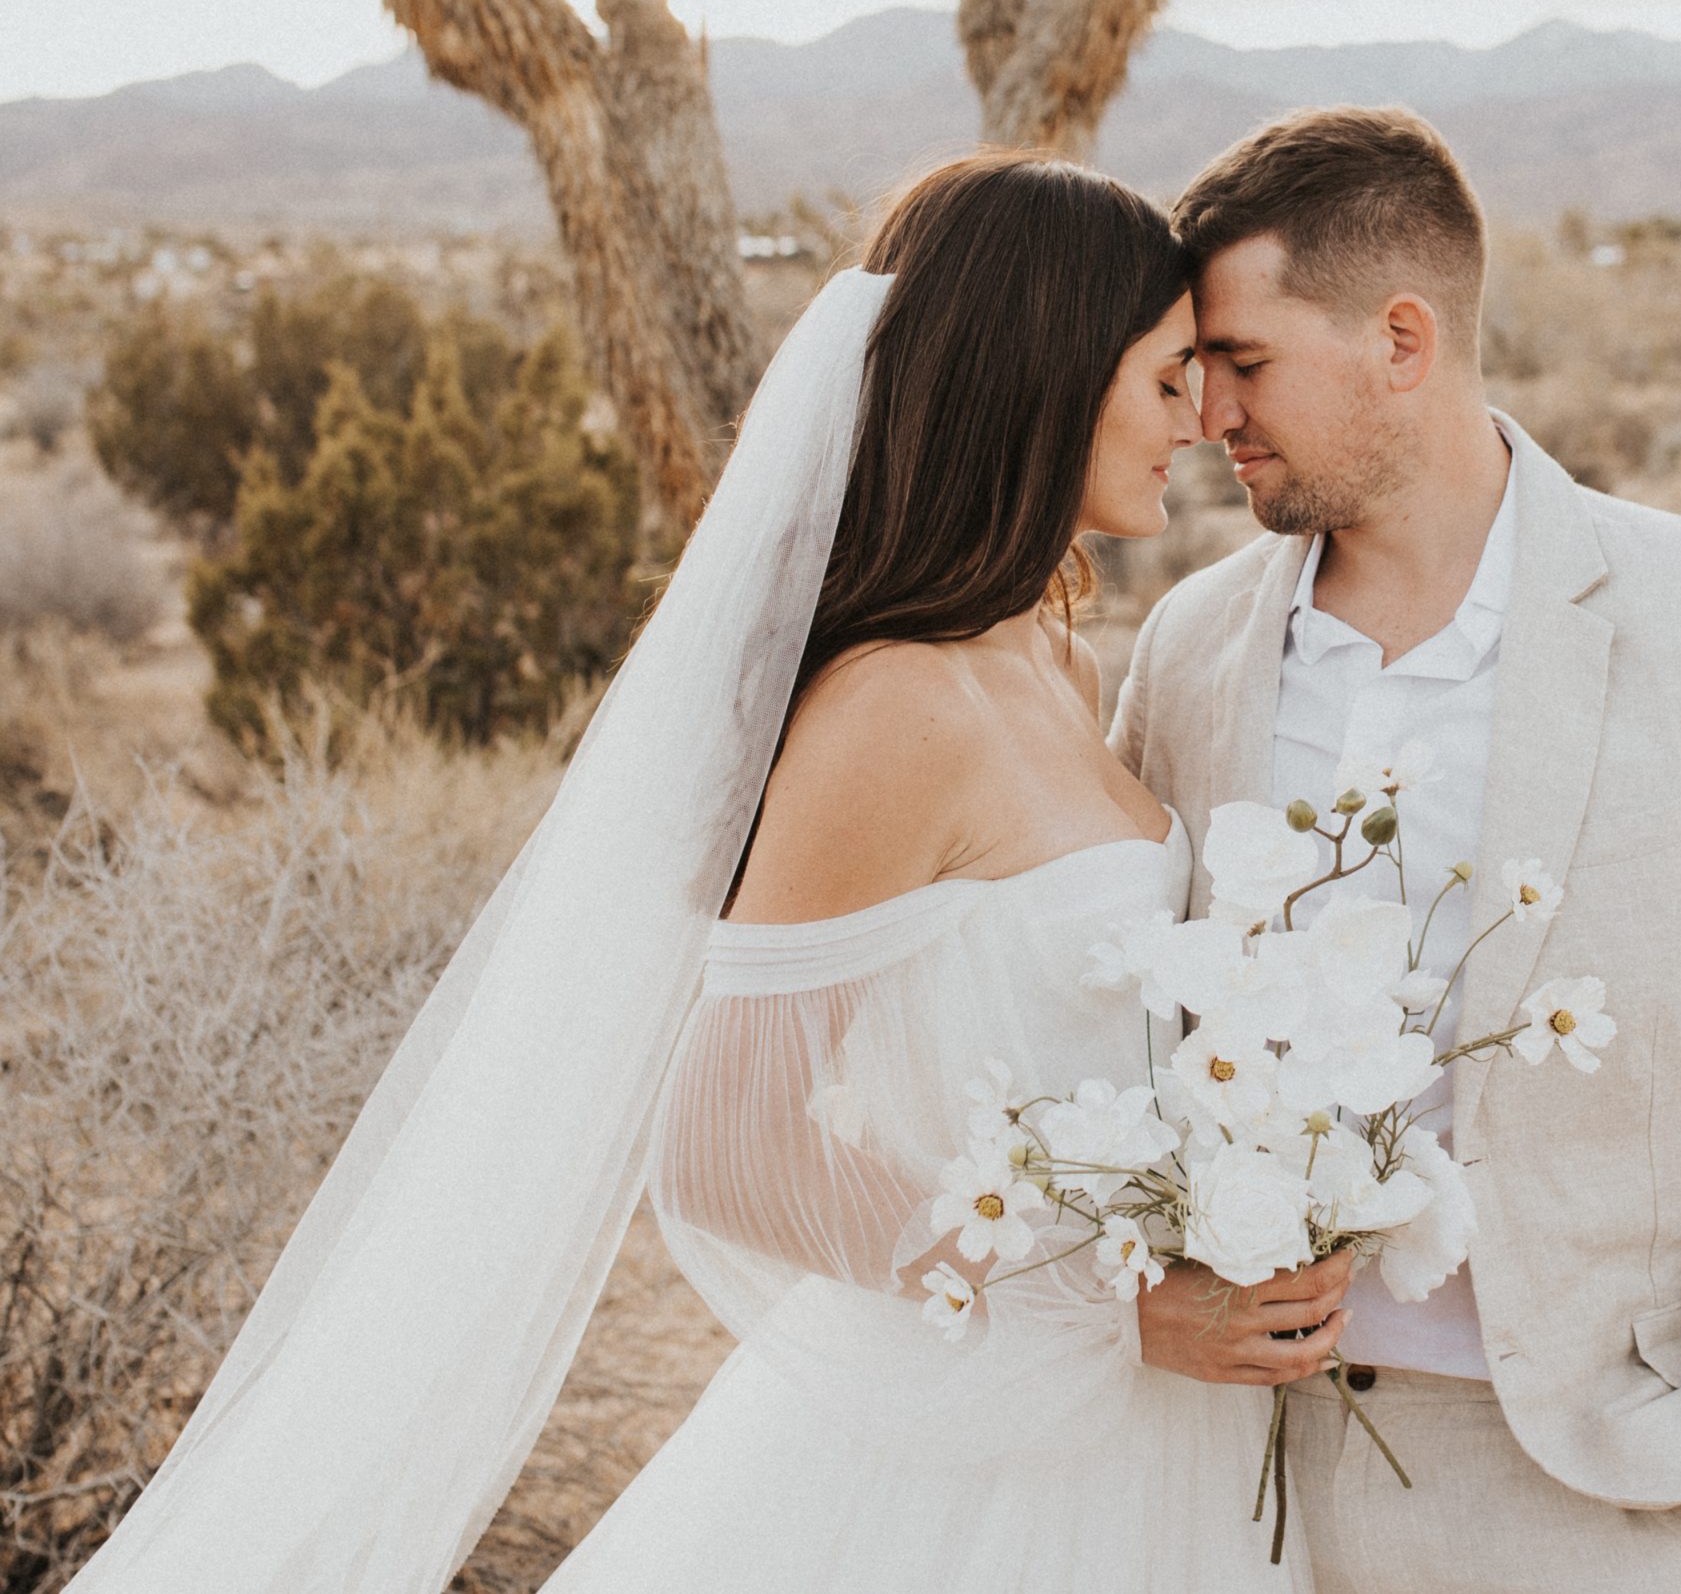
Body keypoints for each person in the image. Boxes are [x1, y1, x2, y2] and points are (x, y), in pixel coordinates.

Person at [71, 154, 1338, 1594]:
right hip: (972, 1456)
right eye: (1169, 374)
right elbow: (730, 1143)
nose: (1204, 415)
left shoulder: (1051, 649)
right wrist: (1113, 1298)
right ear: (1042, 377)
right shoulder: (892, 707)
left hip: (1148, 1437)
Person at [1112, 107, 1681, 1594]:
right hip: (1222, 1476)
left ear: (1402, 340)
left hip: (1589, 1487)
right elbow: (1111, 1014)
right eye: (1200, 369)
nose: (1209, 410)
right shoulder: (1191, 644)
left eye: (1247, 362)